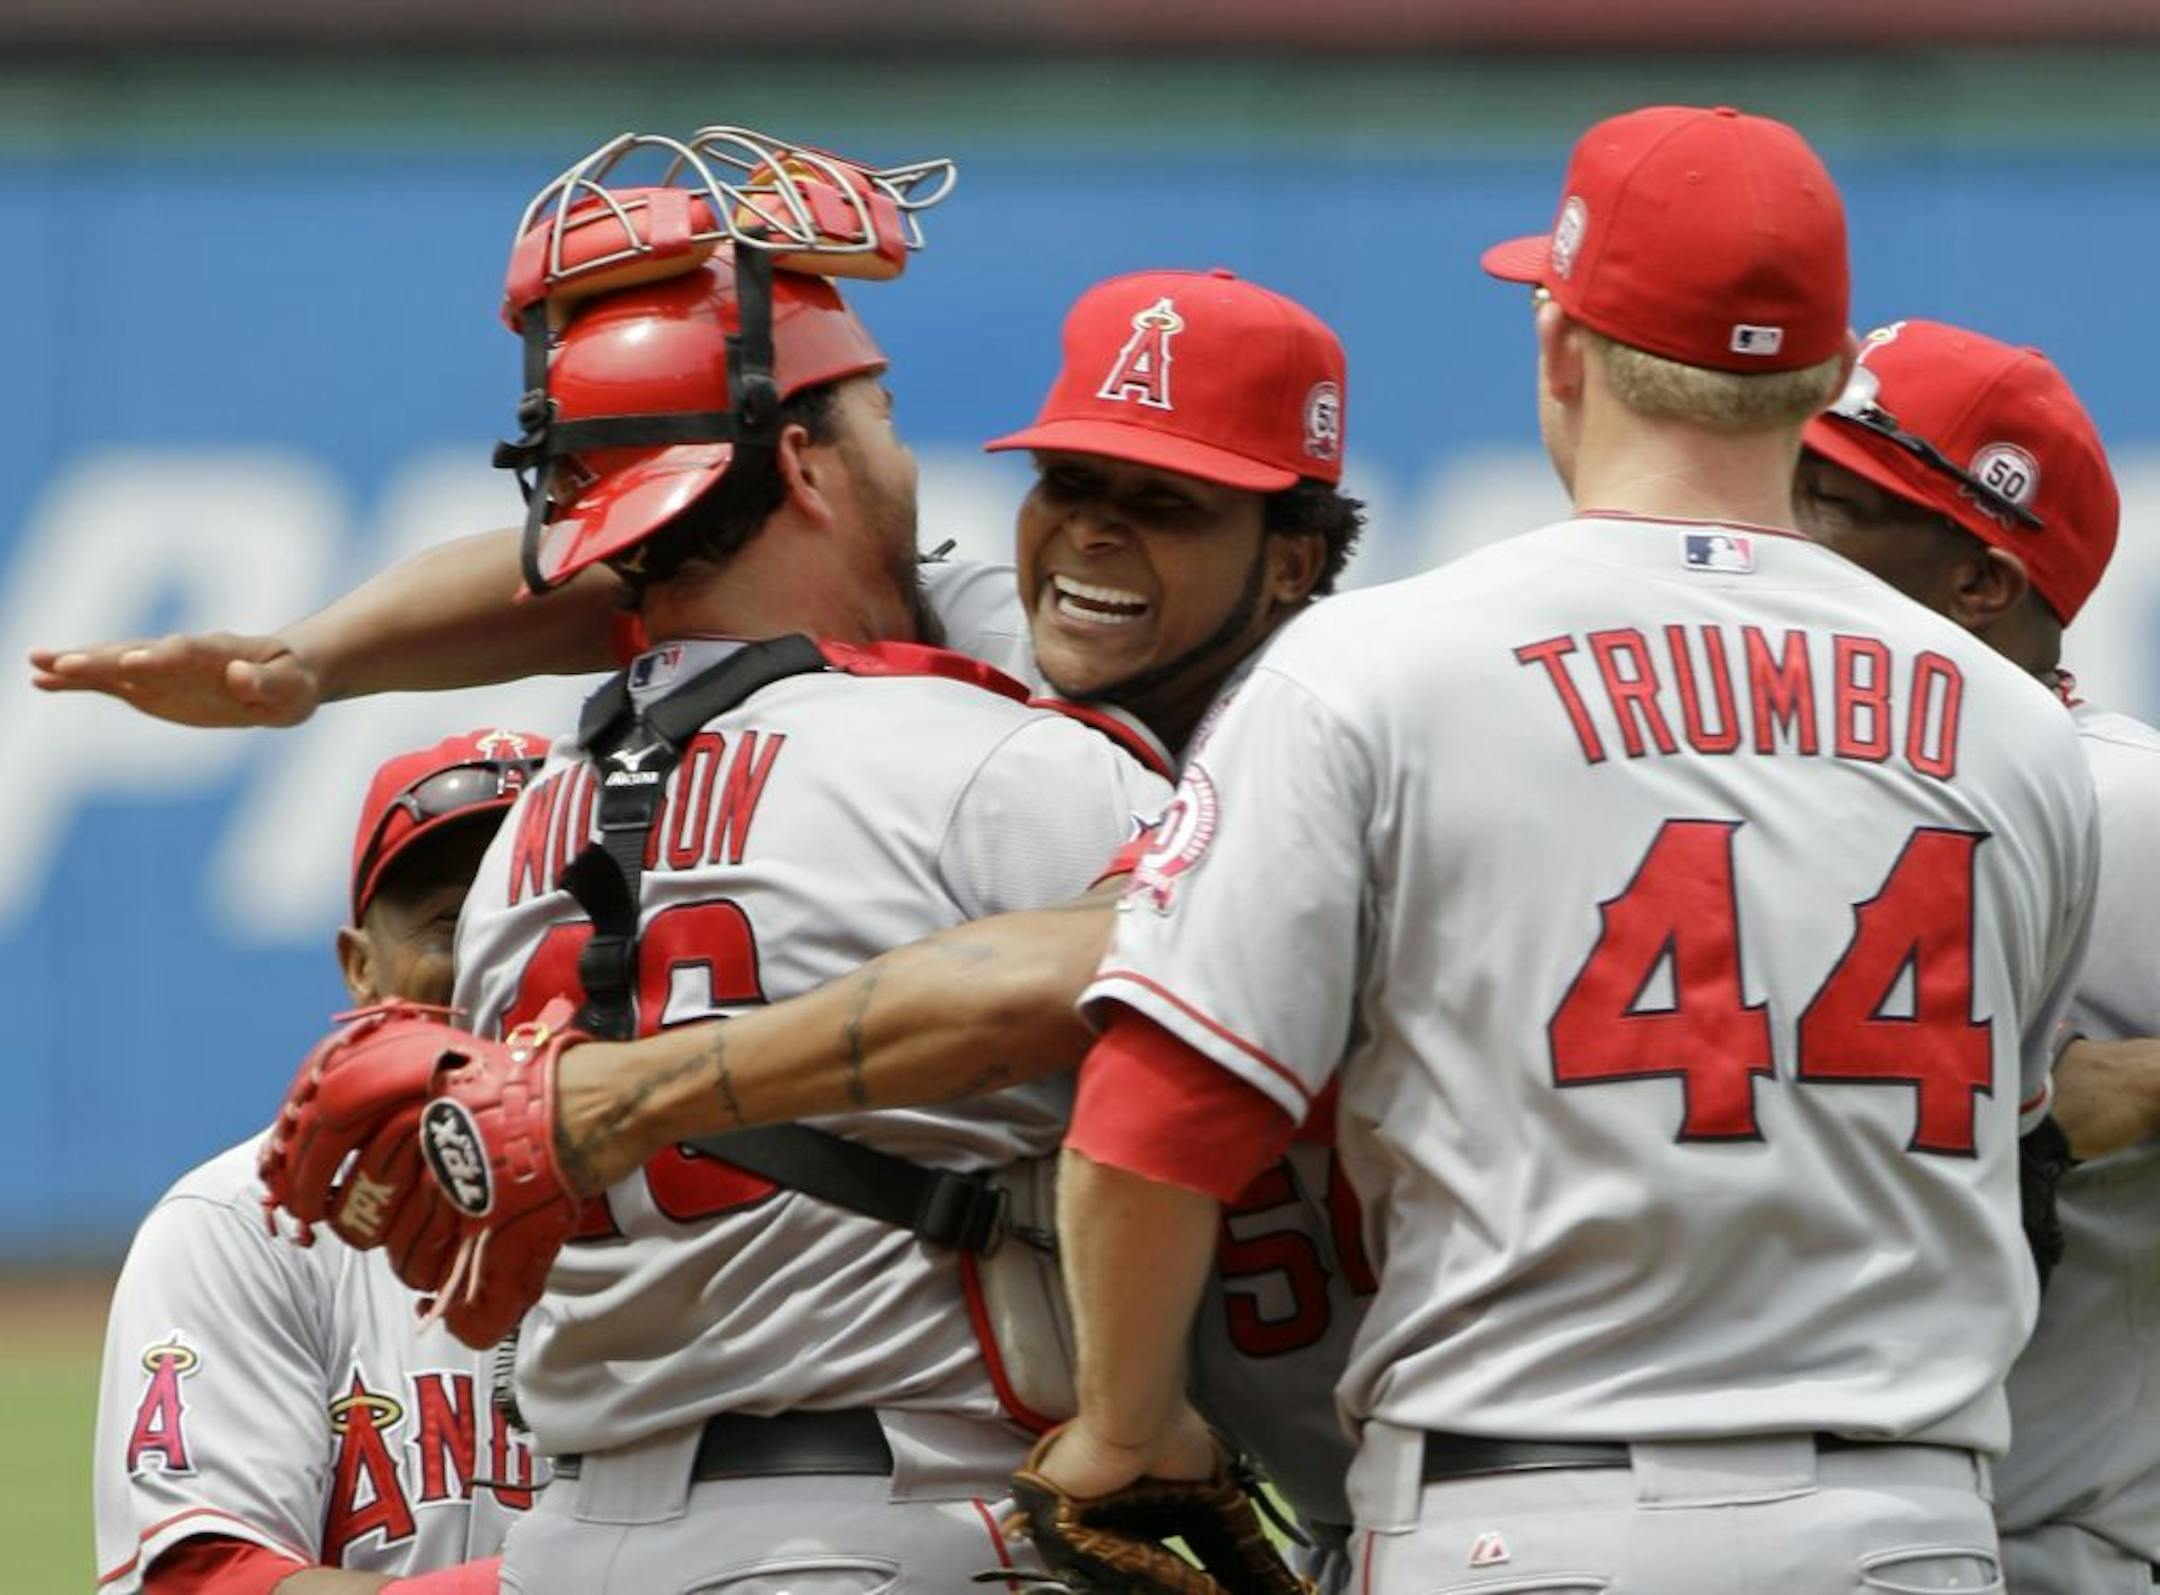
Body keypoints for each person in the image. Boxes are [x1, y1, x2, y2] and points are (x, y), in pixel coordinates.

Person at [36, 265, 1379, 1565]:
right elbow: (633, 567)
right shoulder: (1003, 671)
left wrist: (626, 1089)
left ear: (1289, 560)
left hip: (1436, 1423)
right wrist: (308, 661)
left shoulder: (1353, 734)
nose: (1092, 533)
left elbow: (1088, 958)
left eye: (1170, 503)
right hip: (1312, 1470)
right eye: (1069, 482)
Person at [1023, 104, 2098, 1594]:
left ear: (1561, 345)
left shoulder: (1377, 665)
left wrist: (1126, 1423)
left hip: (1530, 1514)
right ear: (1829, 379)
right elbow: (2015, 1125)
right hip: (1903, 1530)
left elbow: (1155, 1121)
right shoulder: (2017, 727)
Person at [264, 158, 1188, 1591]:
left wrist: (307, 657)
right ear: (807, 460)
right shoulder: (997, 761)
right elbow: (1242, 1003)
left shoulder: (525, 838)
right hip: (895, 1515)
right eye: (876, 412)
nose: (903, 450)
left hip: (574, 1538)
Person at [1792, 317, 2160, 1595]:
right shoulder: (1733, 783)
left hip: (2038, 1553)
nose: (1773, 528)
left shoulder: (2125, 804)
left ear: (1983, 584)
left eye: (1826, 501)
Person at [93, 729, 549, 1595]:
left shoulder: (711, 1204)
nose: (502, 962)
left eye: (546, 916)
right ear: (362, 967)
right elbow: (207, 1581)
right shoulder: (241, 1224)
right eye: (455, 923)